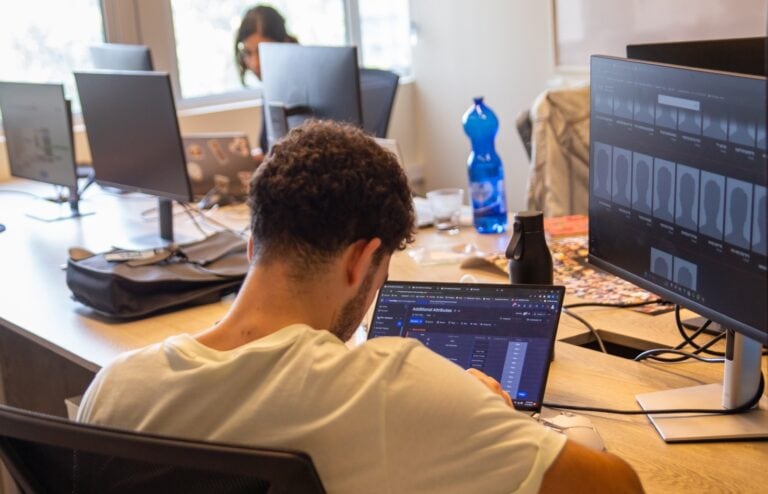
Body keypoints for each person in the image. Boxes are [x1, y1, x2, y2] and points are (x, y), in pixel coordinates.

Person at [77, 121, 643, 493]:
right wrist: (480, 419)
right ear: (361, 262)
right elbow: (618, 488)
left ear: (253, 247)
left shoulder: (115, 388)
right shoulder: (391, 389)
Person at [234, 4, 297, 155]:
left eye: (262, 51)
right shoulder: (270, 88)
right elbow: (269, 149)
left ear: (284, 43)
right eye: (248, 53)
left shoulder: (297, 90)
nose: (255, 63)